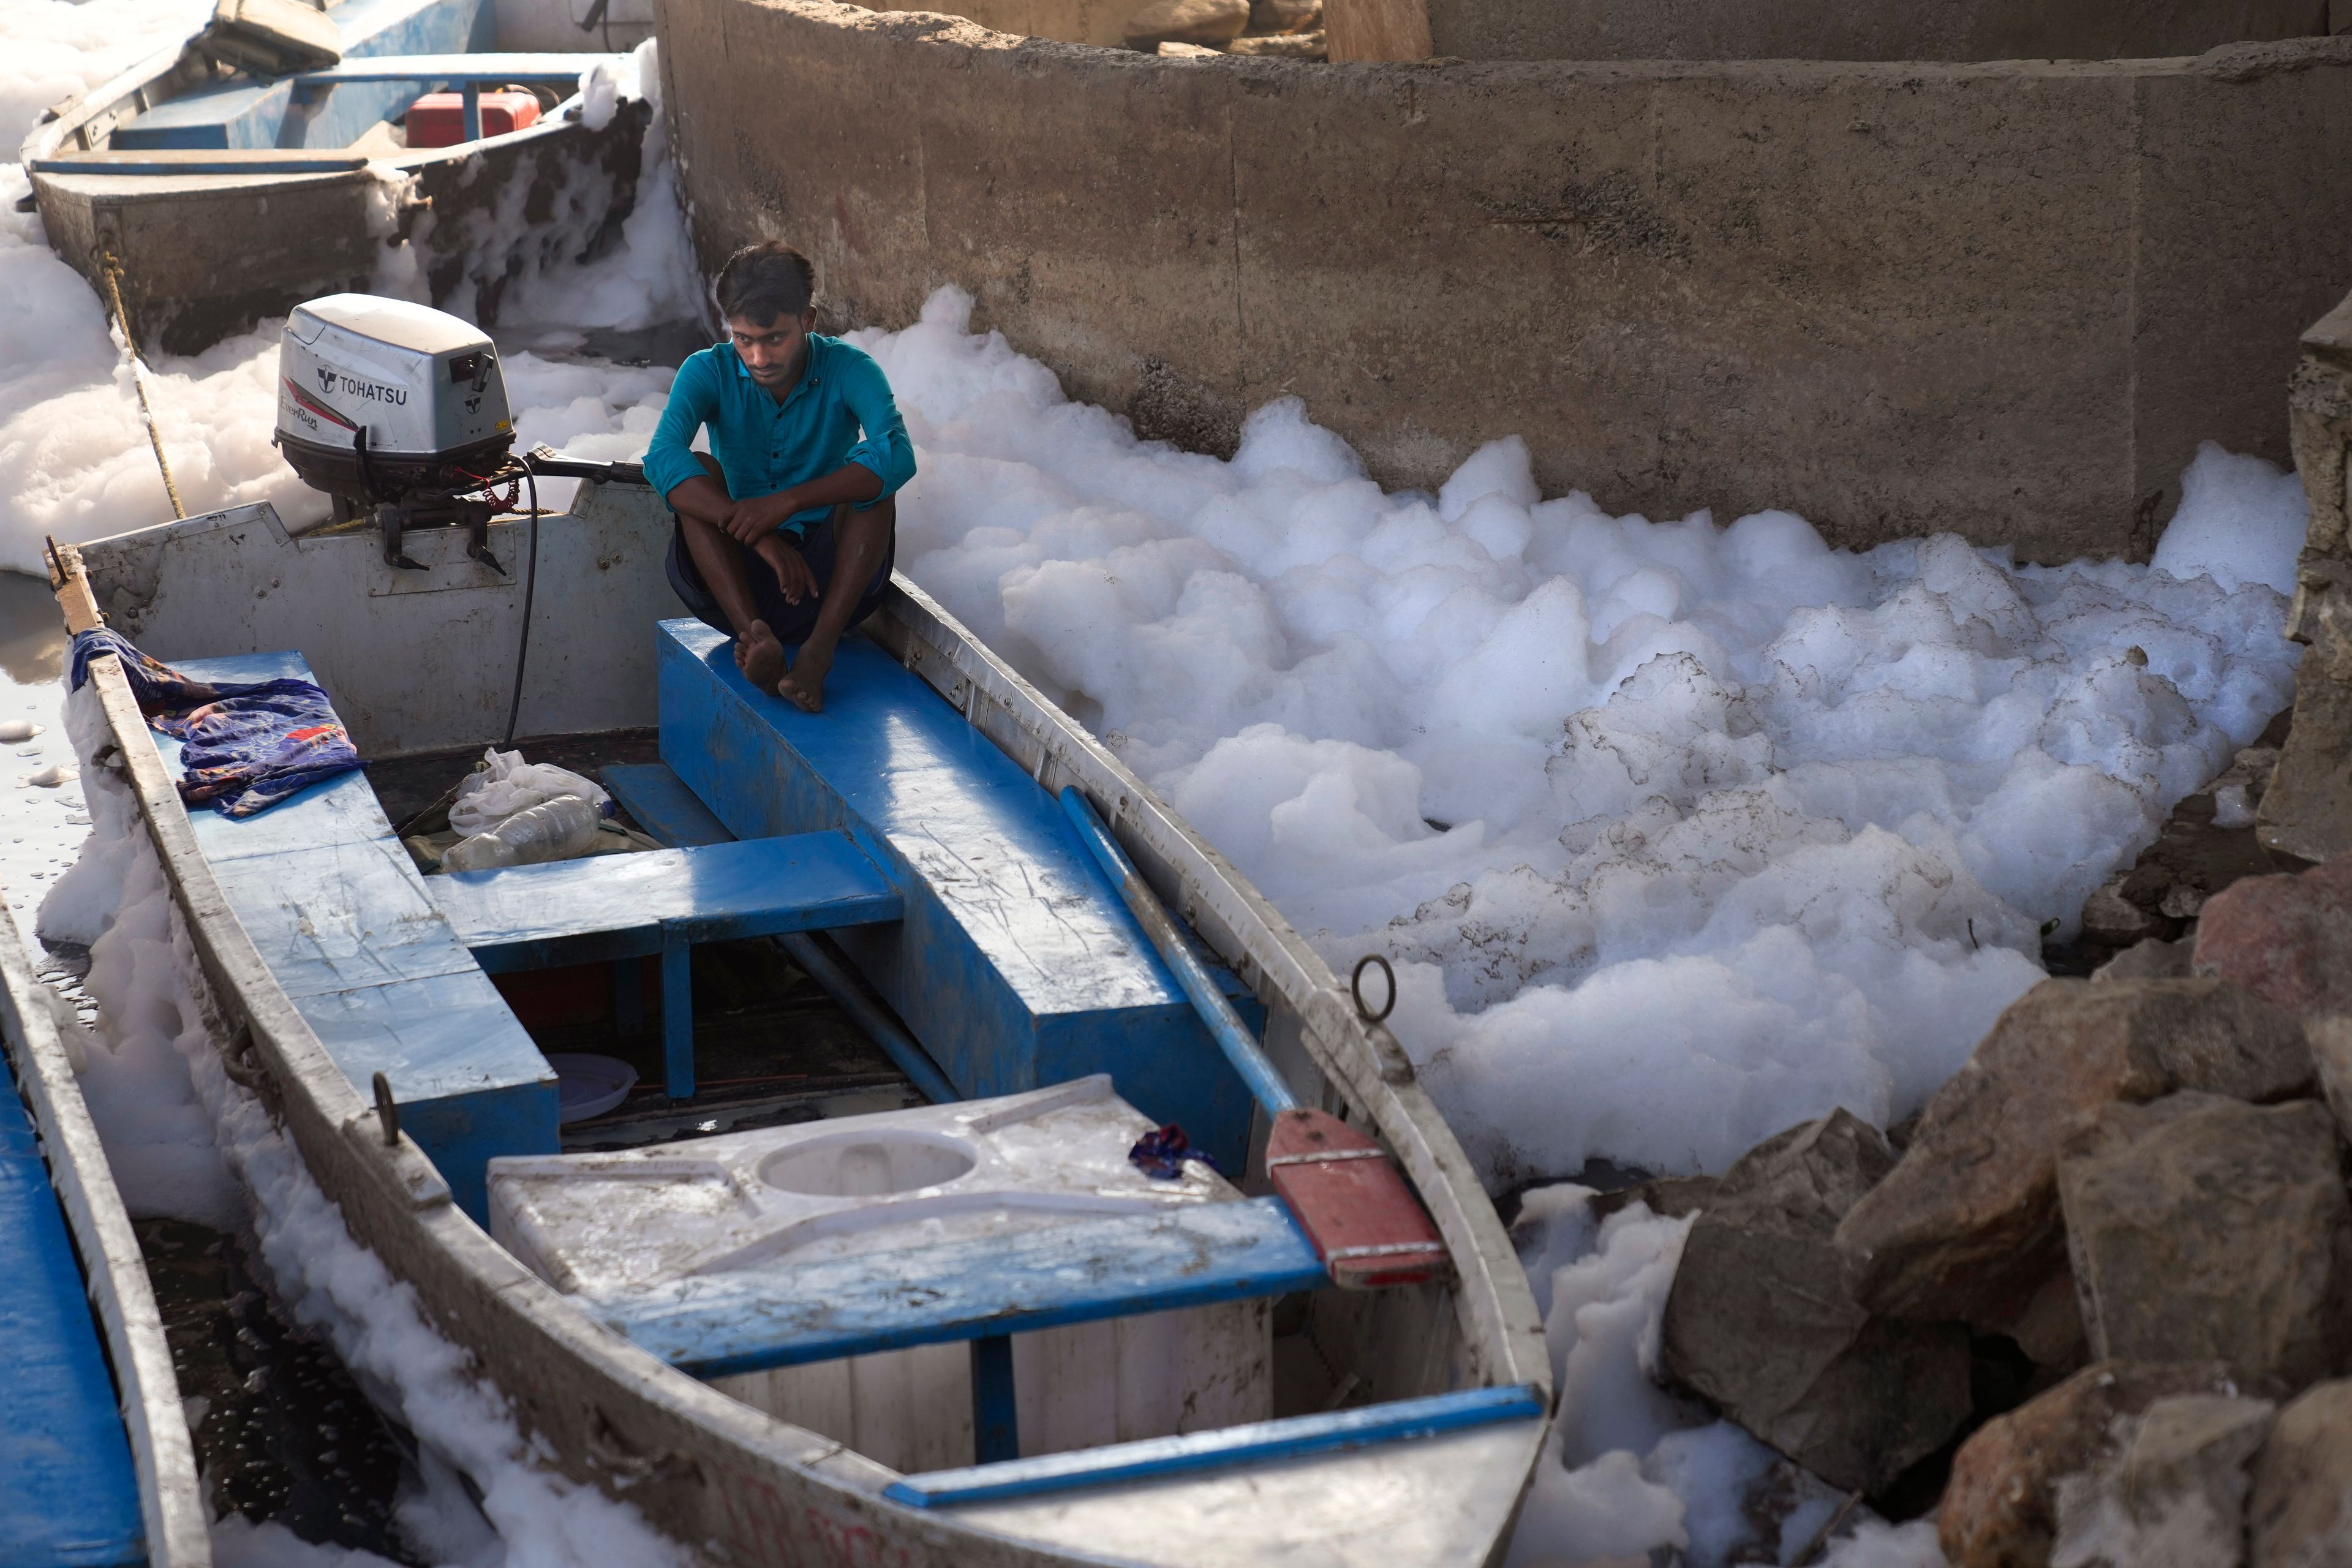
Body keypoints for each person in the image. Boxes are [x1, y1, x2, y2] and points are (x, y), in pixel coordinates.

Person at [641, 242, 916, 712]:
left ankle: (818, 653)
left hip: (828, 587)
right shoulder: (707, 370)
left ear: (808, 321)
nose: (758, 357)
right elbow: (660, 457)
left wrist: (787, 502)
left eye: (774, 339)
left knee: (875, 486)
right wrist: (759, 536)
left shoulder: (850, 368)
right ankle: (755, 639)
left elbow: (899, 453)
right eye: (743, 339)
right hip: (734, 586)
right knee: (697, 472)